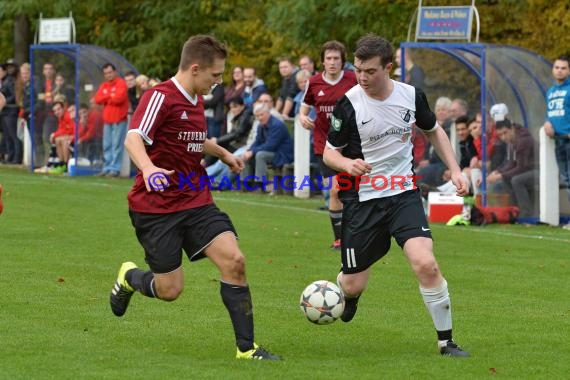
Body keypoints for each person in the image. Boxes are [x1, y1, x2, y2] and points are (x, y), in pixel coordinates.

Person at [110, 34, 280, 360]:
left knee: (235, 261)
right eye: (215, 75)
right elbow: (134, 138)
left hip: (196, 200)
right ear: (195, 68)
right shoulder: (159, 96)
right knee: (170, 290)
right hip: (155, 207)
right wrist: (148, 168)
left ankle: (246, 349)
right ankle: (129, 278)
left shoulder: (196, 98)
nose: (218, 82)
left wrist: (224, 153)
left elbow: (194, 139)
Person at [323, 34, 469, 357]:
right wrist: (348, 164)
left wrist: (456, 170)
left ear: (388, 67)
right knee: (352, 284)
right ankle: (349, 294)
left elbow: (433, 130)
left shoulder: (411, 96)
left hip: (404, 195)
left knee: (425, 263)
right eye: (358, 69)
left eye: (370, 71)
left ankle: (447, 342)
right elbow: (329, 153)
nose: (362, 77)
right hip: (362, 202)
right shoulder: (348, 104)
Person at [299, 40, 357, 249]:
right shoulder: (314, 83)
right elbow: (303, 109)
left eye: (336, 59)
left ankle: (355, 233)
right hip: (325, 146)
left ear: (343, 62)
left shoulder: (353, 80)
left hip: (352, 144)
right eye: (329, 58)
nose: (332, 62)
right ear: (322, 61)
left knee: (352, 191)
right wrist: (303, 118)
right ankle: (340, 238)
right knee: (335, 190)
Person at [486, 119, 537, 217]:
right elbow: (510, 164)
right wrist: (497, 172)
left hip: (540, 171)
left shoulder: (524, 140)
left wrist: (500, 176)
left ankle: (526, 214)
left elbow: (522, 167)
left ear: (512, 129)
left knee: (516, 180)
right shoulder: (511, 141)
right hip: (527, 170)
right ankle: (514, 212)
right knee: (507, 179)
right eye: (500, 135)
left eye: (505, 132)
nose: (503, 137)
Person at [543, 55, 570, 228]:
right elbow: (552, 113)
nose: (559, 70)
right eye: (557, 67)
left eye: (563, 68)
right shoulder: (551, 91)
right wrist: (547, 122)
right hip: (558, 141)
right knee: (566, 180)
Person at [242, 102, 294, 191]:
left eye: (261, 115)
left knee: (260, 155)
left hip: (282, 155)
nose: (259, 118)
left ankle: (260, 185)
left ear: (268, 113)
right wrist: (249, 151)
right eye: (257, 116)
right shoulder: (261, 125)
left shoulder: (277, 125)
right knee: (245, 155)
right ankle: (245, 185)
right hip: (272, 152)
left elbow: (271, 145)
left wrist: (252, 152)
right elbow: (258, 141)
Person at [94, 63, 129, 177]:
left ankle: (115, 169)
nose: (108, 75)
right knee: (107, 146)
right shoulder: (104, 85)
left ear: (115, 72)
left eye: (110, 72)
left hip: (119, 120)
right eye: (106, 73)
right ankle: (107, 167)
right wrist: (110, 96)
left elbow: (119, 99)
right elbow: (97, 99)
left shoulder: (121, 83)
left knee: (116, 145)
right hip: (107, 120)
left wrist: (107, 97)